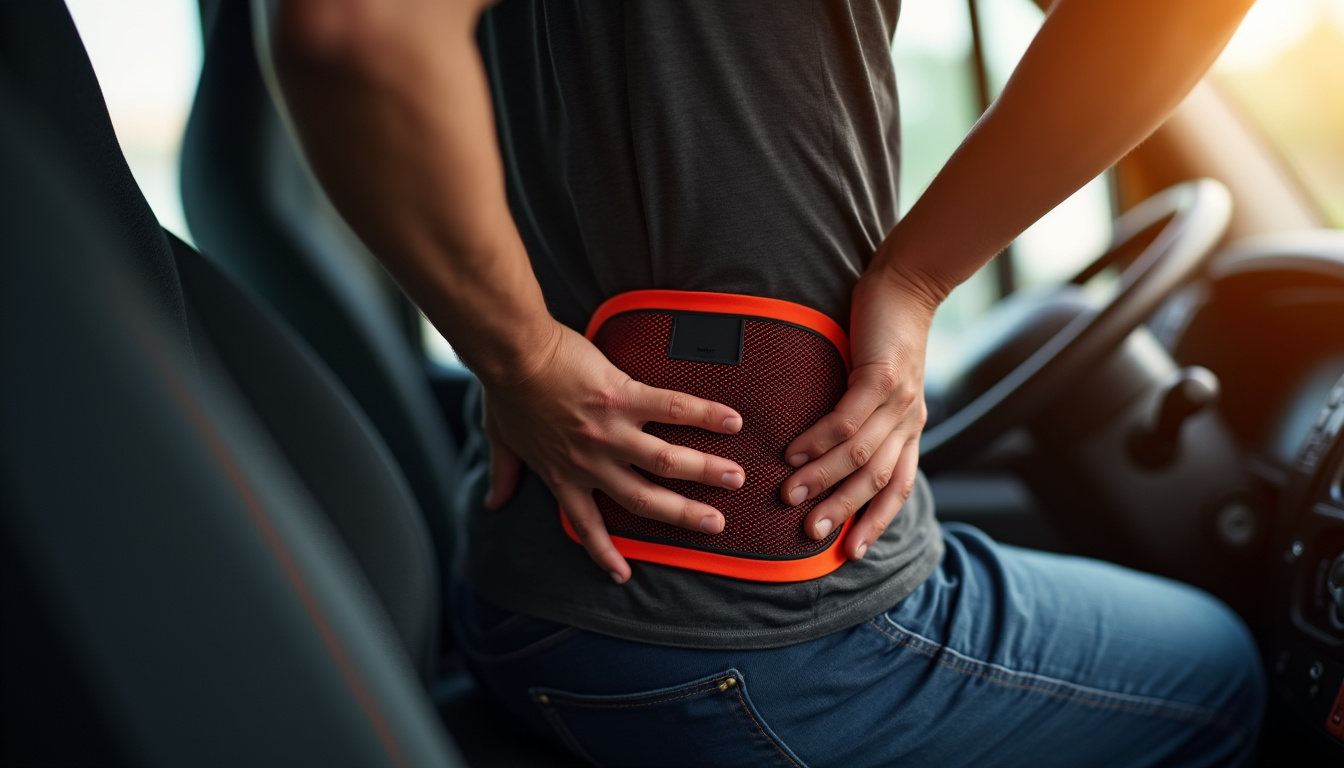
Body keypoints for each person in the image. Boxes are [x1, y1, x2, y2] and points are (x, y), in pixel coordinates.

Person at [259, 0, 1265, 764]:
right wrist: (916, 278)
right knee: (1222, 671)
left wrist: (514, 353)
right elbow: (355, 28)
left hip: (520, 595)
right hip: (763, 638)